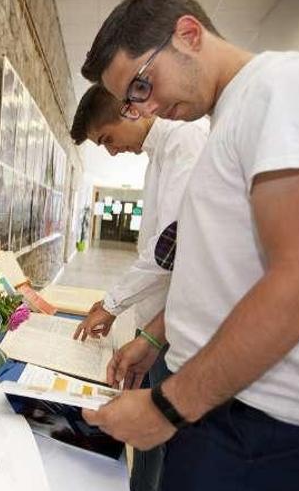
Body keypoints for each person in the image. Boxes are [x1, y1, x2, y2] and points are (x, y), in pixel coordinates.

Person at [78, 0, 299, 489]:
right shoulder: (234, 114)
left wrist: (166, 407)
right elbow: (224, 275)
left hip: (271, 428)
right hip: (223, 406)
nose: (148, 108)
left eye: (142, 84)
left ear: (189, 34)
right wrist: (160, 336)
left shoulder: (291, 89)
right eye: (134, 102)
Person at [69, 83, 207, 491]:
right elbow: (155, 249)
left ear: (130, 111)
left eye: (107, 140)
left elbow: (172, 245)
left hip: (174, 330)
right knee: (145, 441)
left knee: (167, 442)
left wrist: (112, 304)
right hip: (156, 328)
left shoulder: (186, 140)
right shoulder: (159, 153)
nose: (111, 152)